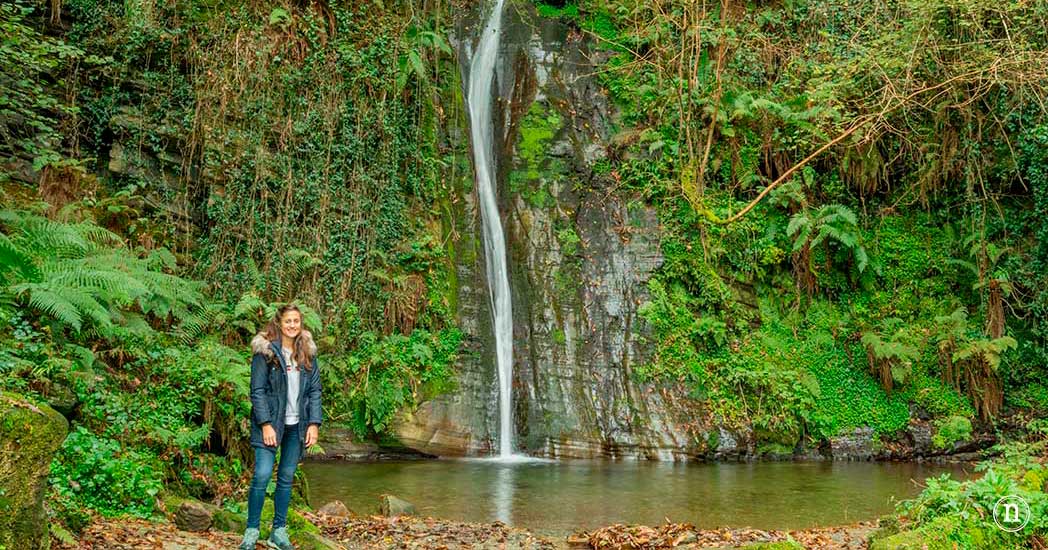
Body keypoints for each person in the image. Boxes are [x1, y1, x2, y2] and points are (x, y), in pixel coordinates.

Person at [239, 304, 322, 550]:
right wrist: (265, 424)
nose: (293, 325)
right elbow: (257, 390)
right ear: (279, 322)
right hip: (270, 425)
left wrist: (314, 424)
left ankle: (279, 530)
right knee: (262, 475)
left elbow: (315, 390)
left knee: (286, 478)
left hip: (297, 426)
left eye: (296, 321)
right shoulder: (266, 352)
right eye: (288, 321)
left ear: (301, 323)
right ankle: (252, 530)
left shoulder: (307, 351)